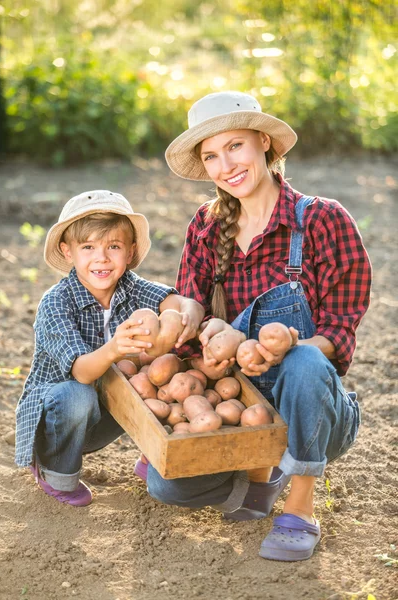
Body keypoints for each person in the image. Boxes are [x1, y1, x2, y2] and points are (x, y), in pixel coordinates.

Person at [145, 91, 372, 561]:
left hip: (313, 404)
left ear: (264, 142)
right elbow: (192, 302)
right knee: (169, 489)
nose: (225, 164)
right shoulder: (206, 227)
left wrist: (281, 343)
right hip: (239, 399)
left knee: (306, 360)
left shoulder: (323, 221)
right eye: (211, 155)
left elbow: (339, 334)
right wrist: (202, 325)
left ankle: (301, 507)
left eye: (235, 146)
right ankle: (258, 473)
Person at [15, 189, 204, 506]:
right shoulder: (56, 303)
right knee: (78, 393)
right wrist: (115, 348)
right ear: (68, 252)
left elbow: (173, 300)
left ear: (129, 253)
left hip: (104, 411)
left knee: (152, 376)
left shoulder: (130, 286)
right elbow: (81, 372)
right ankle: (54, 471)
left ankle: (154, 453)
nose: (101, 258)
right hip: (59, 417)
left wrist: (188, 311)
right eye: (88, 247)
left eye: (113, 247)